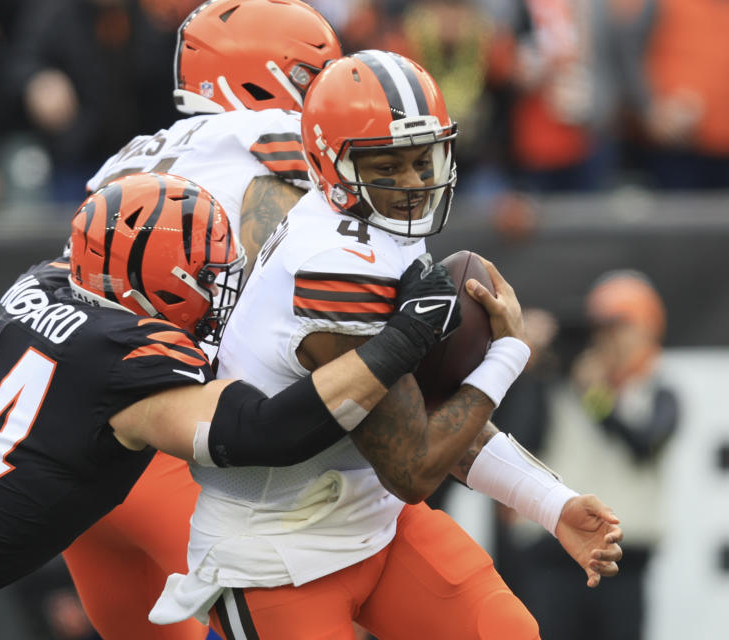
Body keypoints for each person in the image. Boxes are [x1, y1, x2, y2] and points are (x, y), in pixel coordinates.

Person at [0, 170, 465, 640]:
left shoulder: (41, 283)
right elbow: (264, 431)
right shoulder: (126, 366)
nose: (219, 291)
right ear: (151, 285)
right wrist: (403, 338)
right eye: (206, 275)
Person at [150, 51, 624, 639]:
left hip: (377, 524)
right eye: (387, 166)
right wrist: (508, 355)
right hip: (276, 553)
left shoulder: (373, 230)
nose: (412, 185)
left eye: (423, 161)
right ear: (331, 163)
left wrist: (552, 504)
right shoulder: (334, 267)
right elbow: (415, 464)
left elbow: (426, 414)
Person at [61, 2, 343, 638]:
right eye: (314, 78)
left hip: (78, 454)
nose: (326, 94)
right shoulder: (267, 145)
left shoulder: (128, 160)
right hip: (182, 445)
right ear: (259, 77)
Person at [499, 270, 677, 640]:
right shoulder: (558, 387)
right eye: (603, 328)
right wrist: (533, 364)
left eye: (621, 327)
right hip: (555, 561)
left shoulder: (659, 393)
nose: (610, 340)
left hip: (625, 564)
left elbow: (643, 443)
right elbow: (519, 440)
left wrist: (596, 397)